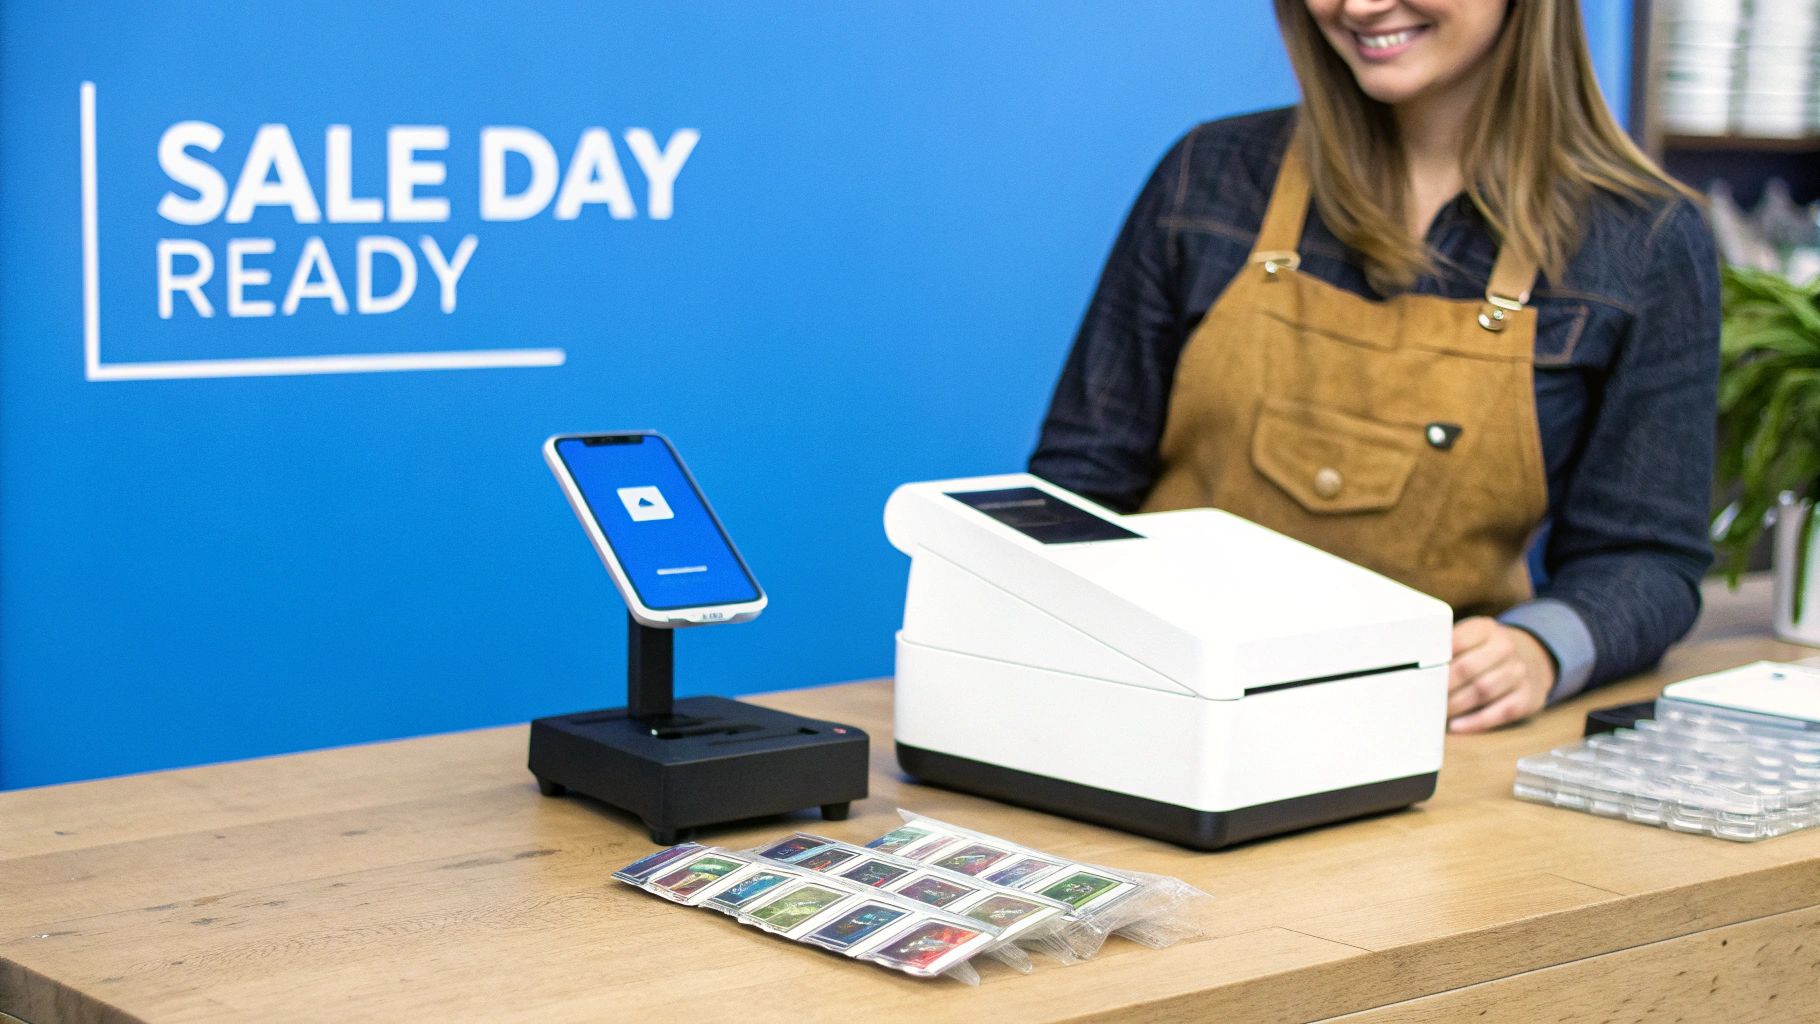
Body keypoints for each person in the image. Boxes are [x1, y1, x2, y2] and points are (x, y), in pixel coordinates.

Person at [1029, 0, 1720, 732]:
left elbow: (1647, 560)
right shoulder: (1209, 177)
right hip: (1159, 712)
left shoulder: (1644, 243)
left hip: (1423, 739)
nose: (1357, 6)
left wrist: (1538, 650)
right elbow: (1076, 487)